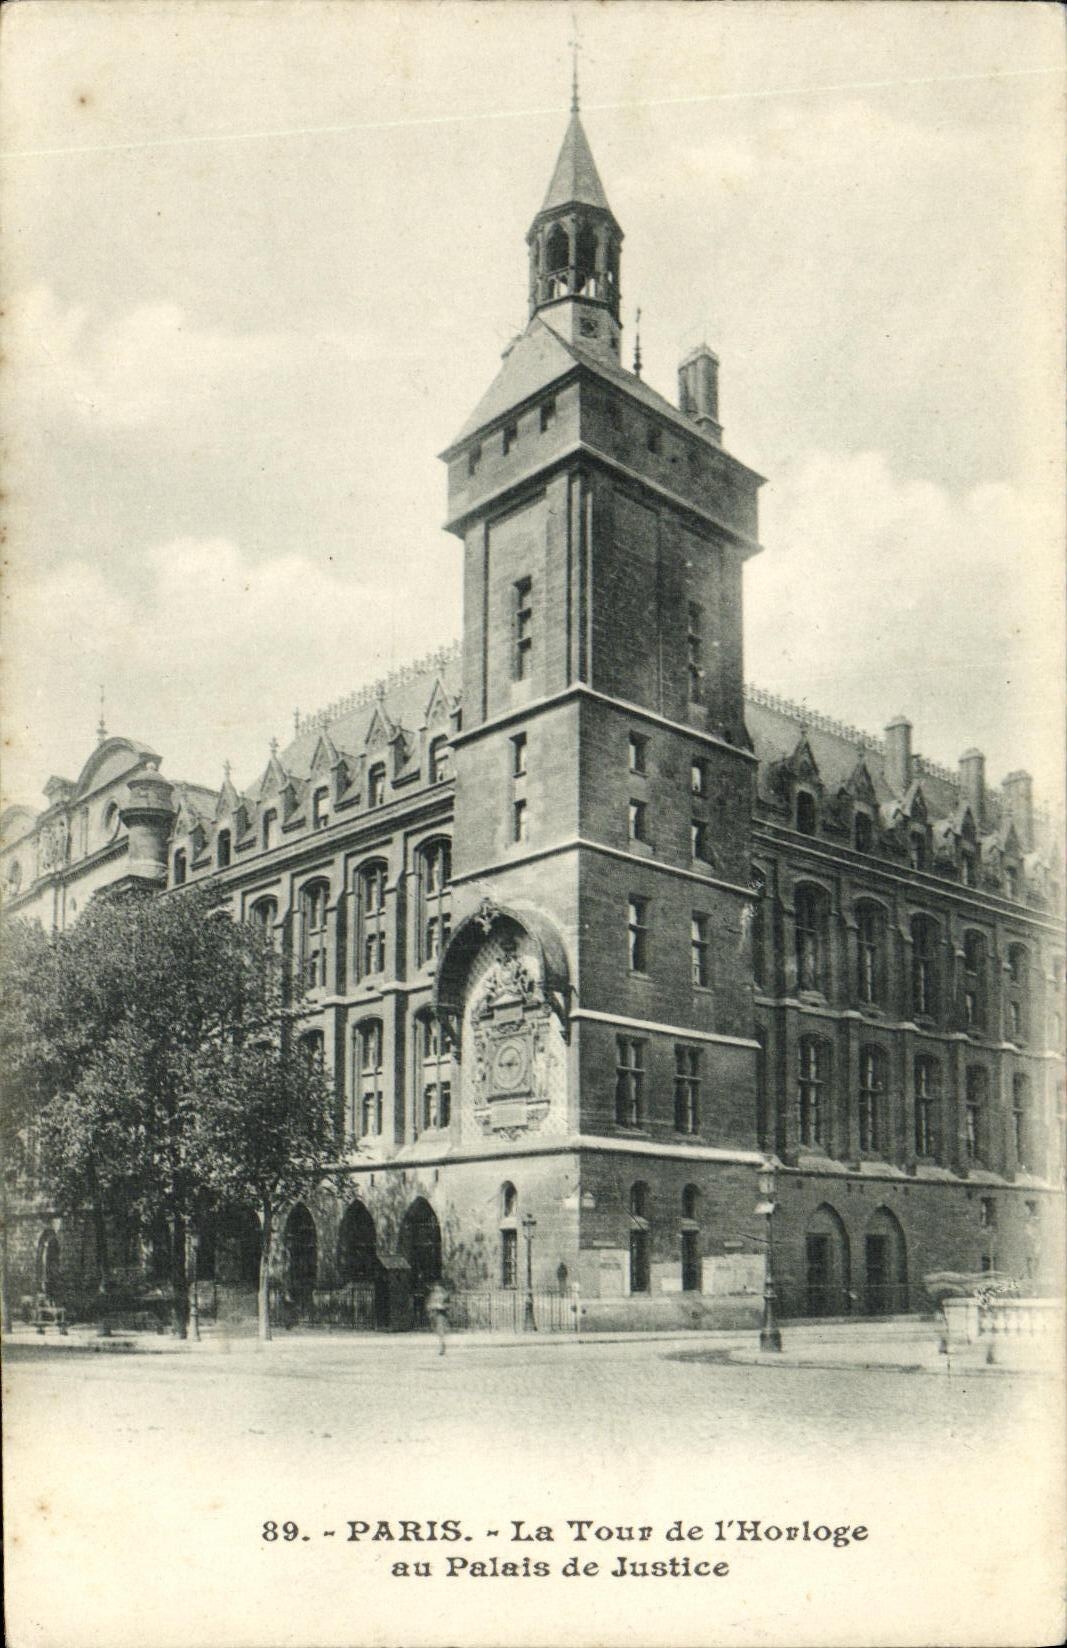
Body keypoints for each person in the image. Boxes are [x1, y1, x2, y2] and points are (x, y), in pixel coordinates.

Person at [426, 1280, 449, 1355]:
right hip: (434, 1314)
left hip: (440, 1314)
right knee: (437, 1330)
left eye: (438, 1287)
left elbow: (447, 1305)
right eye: (435, 1288)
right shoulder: (432, 1295)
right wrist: (430, 1308)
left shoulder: (444, 1295)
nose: (436, 1289)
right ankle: (442, 1345)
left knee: (440, 1331)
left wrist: (440, 1306)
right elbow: (429, 1304)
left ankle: (442, 1346)